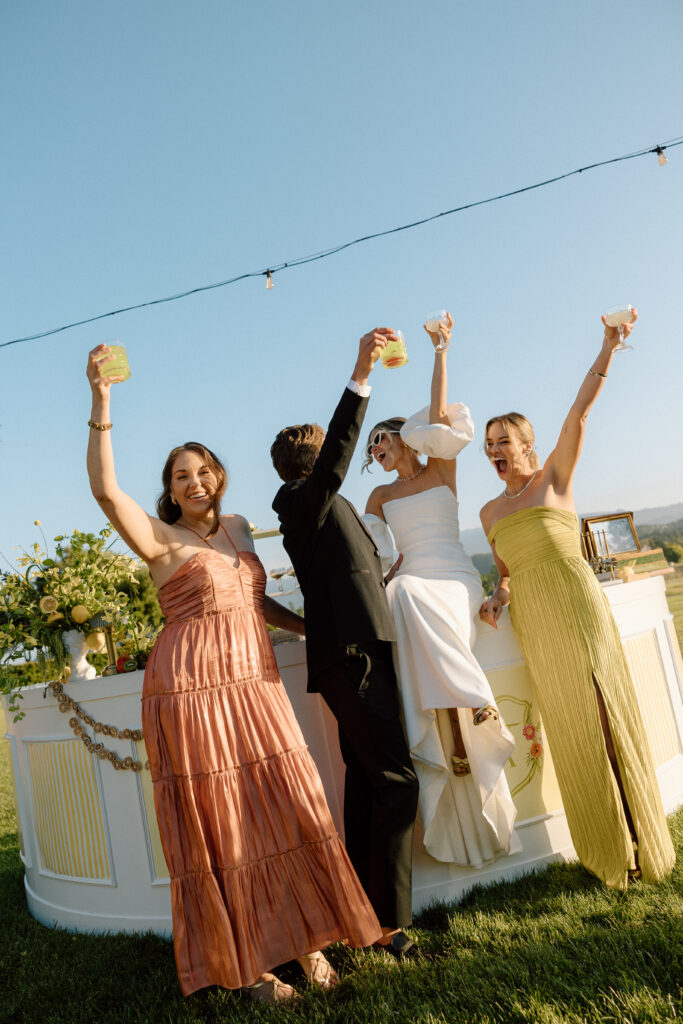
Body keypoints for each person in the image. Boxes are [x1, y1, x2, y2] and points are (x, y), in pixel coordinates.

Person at [86, 344, 382, 1004]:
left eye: (202, 471)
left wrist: (311, 628)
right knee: (223, 823)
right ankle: (248, 968)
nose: (194, 483)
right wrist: (102, 401)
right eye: (180, 477)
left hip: (255, 684)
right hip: (190, 691)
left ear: (219, 476)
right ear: (169, 491)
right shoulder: (160, 542)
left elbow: (255, 602)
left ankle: (307, 942)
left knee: (286, 806)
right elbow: (106, 490)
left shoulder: (243, 528)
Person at [479, 310, 675, 889]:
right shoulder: (488, 513)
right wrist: (497, 598)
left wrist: (608, 346)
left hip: (579, 607)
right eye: (488, 445)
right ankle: (608, 850)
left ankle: (644, 839)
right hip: (537, 624)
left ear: (528, 445)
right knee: (572, 728)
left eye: (503, 441)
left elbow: (579, 412)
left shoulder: (553, 480)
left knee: (608, 714)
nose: (494, 450)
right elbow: (507, 573)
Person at [271, 328, 420, 961]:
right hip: (353, 660)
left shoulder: (325, 511)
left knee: (366, 782)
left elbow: (344, 574)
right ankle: (389, 925)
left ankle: (361, 915)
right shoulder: (299, 501)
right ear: (311, 465)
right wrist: (361, 374)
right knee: (398, 783)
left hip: (359, 650)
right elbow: (338, 450)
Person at [362, 314, 518, 867]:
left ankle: (474, 703)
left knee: (409, 593)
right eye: (371, 449)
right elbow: (376, 557)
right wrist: (388, 575)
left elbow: (439, 413)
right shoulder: (378, 498)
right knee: (401, 592)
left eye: (381, 439)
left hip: (453, 577)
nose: (375, 449)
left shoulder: (441, 470)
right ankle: (467, 708)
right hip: (410, 582)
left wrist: (440, 351)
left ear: (404, 436)